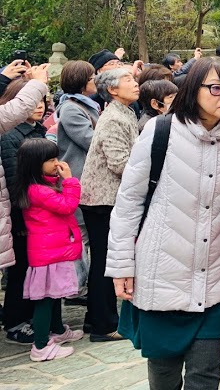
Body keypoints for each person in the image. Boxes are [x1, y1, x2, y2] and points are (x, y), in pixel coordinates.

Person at [107, 56, 220, 390]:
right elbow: (128, 202)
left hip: (217, 272)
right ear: (193, 90)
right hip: (163, 275)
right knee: (163, 375)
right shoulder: (159, 131)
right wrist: (121, 265)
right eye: (216, 88)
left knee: (205, 375)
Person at [79, 68, 140, 342]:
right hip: (103, 200)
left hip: (108, 198)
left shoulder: (124, 112)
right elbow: (120, 164)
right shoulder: (114, 117)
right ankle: (104, 325)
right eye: (128, 80)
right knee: (106, 262)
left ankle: (95, 320)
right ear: (113, 90)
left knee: (103, 260)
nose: (135, 83)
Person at [11, 139, 84, 361]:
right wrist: (70, 181)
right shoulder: (38, 191)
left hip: (53, 251)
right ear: (35, 164)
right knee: (46, 300)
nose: (56, 163)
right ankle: (40, 346)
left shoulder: (36, 186)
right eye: (51, 160)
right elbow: (67, 205)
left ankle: (58, 331)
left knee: (55, 294)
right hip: (48, 254)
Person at [0, 62, 50, 344]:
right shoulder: (9, 136)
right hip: (20, 215)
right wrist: (19, 220)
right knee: (19, 271)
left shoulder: (36, 131)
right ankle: (15, 320)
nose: (39, 107)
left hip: (34, 214)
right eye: (33, 101)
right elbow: (13, 179)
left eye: (42, 102)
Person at [55, 60, 100, 313]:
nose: (95, 80)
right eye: (91, 77)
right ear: (82, 82)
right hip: (78, 176)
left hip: (87, 177)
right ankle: (75, 286)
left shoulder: (85, 104)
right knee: (79, 233)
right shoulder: (72, 108)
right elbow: (90, 140)